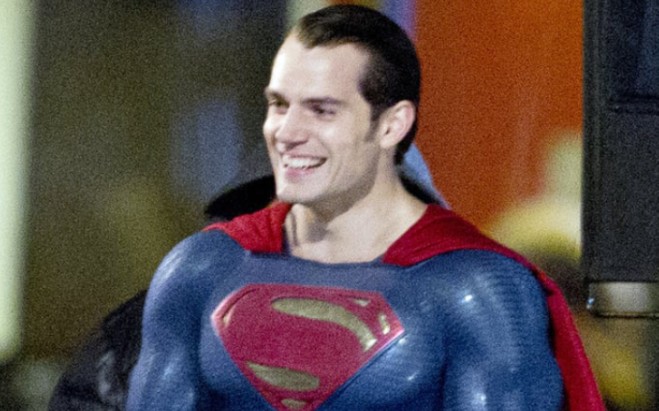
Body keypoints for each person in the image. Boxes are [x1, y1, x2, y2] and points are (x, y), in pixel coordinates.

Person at [127, 5, 604, 410]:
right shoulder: (202, 269)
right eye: (278, 105)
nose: (287, 132)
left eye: (321, 110)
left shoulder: (475, 290)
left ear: (392, 125)